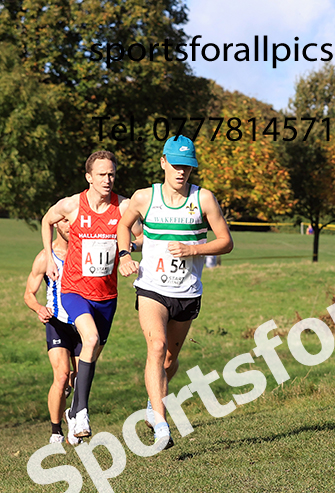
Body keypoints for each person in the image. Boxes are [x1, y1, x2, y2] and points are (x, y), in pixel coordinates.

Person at [118, 135, 233, 449]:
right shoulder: (144, 197)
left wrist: (194, 248)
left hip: (187, 291)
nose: (181, 172)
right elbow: (122, 225)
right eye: (176, 165)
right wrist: (125, 255)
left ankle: (152, 401)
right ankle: (160, 423)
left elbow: (226, 241)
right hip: (151, 288)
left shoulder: (204, 199)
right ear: (163, 163)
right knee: (156, 346)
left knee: (169, 359)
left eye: (188, 166)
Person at [41, 150, 140, 442]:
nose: (107, 180)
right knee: (91, 339)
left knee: (91, 354)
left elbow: (142, 234)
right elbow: (47, 220)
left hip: (106, 295)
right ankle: (81, 411)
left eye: (111, 174)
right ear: (89, 177)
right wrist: (48, 258)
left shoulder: (123, 206)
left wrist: (127, 251)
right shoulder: (72, 205)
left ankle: (74, 409)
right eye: (101, 175)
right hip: (73, 289)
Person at [24, 218, 81, 445]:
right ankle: (56, 431)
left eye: (73, 221)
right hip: (56, 321)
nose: (70, 225)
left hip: (82, 322)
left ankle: (74, 417)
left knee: (78, 378)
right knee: (61, 375)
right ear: (56, 225)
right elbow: (29, 293)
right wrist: (39, 308)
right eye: (65, 221)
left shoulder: (83, 253)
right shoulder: (45, 257)